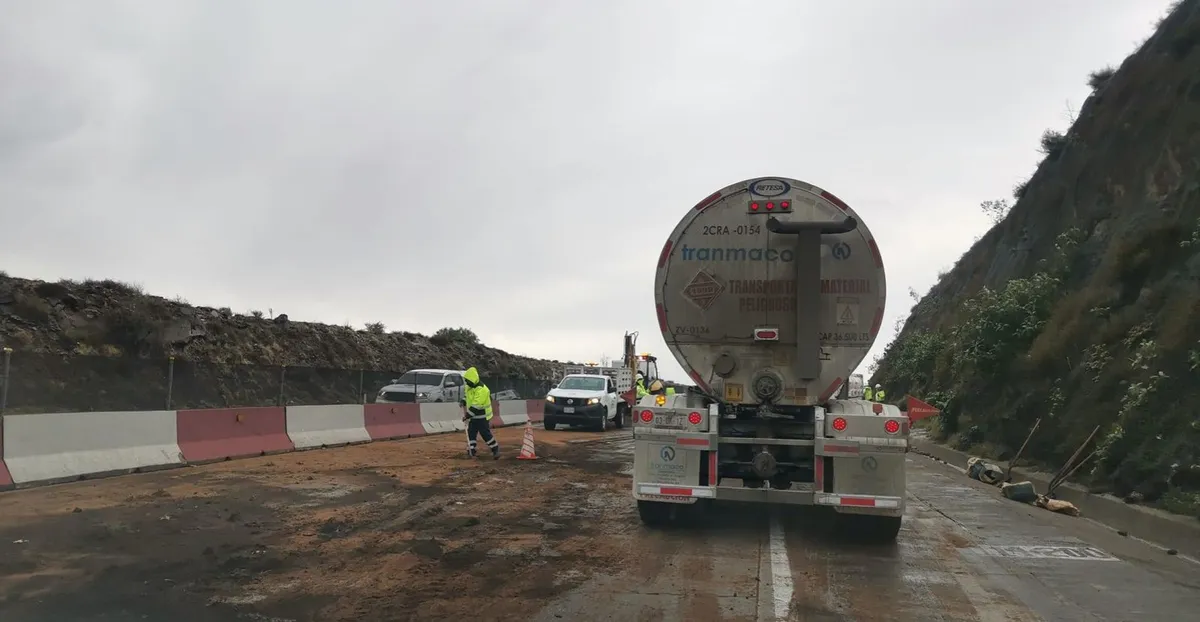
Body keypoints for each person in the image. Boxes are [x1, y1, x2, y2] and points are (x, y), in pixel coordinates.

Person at [460, 366, 499, 459]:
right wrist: (463, 400)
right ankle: (471, 450)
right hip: (473, 417)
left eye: (467, 380)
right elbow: (468, 396)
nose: (466, 382)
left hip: (482, 416)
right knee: (471, 433)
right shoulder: (469, 387)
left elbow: (476, 406)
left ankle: (495, 449)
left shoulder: (482, 390)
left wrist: (467, 416)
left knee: (485, 434)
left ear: (472, 379)